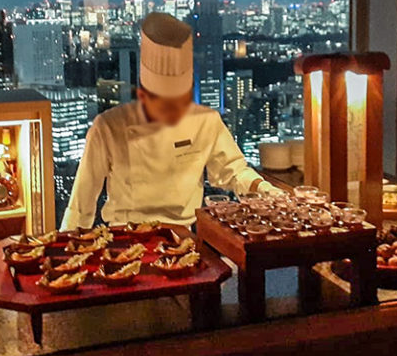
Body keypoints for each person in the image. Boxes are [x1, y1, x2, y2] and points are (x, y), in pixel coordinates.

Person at [61, 12, 279, 229]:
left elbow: (234, 171)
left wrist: (264, 189)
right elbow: (82, 200)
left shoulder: (205, 121)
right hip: (125, 235)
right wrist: (68, 247)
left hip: (182, 236)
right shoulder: (109, 126)